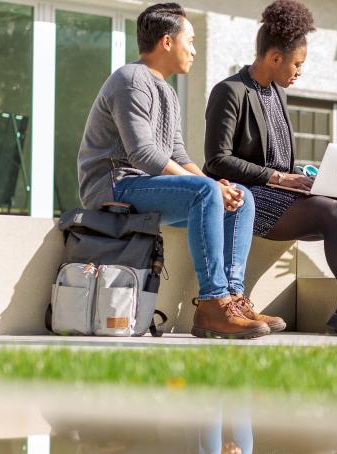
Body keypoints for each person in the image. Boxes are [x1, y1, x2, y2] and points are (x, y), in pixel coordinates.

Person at [203, 0, 337, 340]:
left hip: (282, 194)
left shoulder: (277, 94)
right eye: (297, 63)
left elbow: (280, 159)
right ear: (274, 58)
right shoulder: (230, 92)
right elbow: (216, 159)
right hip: (250, 198)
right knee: (333, 212)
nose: (300, 71)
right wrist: (279, 178)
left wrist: (305, 176)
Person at [77, 3, 272, 339]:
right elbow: (144, 154)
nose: (194, 50)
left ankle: (233, 300)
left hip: (147, 186)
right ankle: (213, 303)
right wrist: (207, 187)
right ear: (167, 42)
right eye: (190, 41)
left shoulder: (166, 90)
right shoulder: (131, 79)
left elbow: (177, 153)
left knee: (242, 198)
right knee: (207, 191)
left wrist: (217, 185)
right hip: (114, 186)